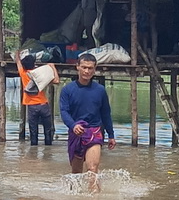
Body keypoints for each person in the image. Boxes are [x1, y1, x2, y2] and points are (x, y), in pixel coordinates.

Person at [58, 52, 116, 192]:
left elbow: (105, 113)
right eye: (84, 67)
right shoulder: (67, 90)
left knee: (92, 169)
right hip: (76, 132)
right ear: (77, 67)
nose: (87, 71)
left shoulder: (100, 90)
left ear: (95, 69)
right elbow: (64, 112)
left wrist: (111, 135)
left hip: (94, 131)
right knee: (76, 173)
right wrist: (73, 125)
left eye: (90, 68)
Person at [14, 52, 60, 146]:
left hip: (31, 107)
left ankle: (33, 152)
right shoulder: (40, 75)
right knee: (48, 131)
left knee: (33, 131)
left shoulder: (23, 73)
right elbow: (57, 81)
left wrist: (17, 53)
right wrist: (52, 67)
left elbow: (18, 61)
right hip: (43, 105)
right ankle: (48, 151)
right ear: (34, 65)